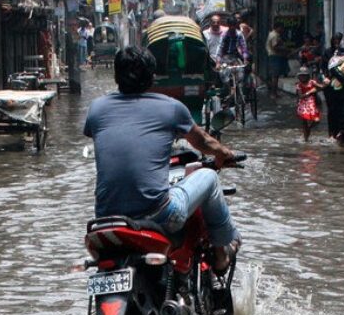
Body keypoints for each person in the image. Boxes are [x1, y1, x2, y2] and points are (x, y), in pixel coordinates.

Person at [84, 47, 242, 272]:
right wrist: (225, 154)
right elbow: (205, 143)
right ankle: (221, 254)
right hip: (159, 214)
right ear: (152, 76)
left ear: (116, 75)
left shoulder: (96, 108)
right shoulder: (171, 108)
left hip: (106, 217)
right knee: (208, 177)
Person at [320, 33, 344, 140]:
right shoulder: (327, 52)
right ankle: (332, 133)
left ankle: (341, 132)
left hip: (342, 85)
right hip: (330, 85)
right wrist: (325, 78)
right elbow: (323, 67)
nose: (337, 42)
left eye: (339, 40)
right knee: (331, 109)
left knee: (342, 109)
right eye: (335, 40)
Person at [294, 67, 324, 142]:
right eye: (301, 76)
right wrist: (310, 92)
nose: (303, 77)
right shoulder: (299, 85)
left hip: (314, 104)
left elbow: (321, 87)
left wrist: (322, 85)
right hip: (304, 105)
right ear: (298, 77)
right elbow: (301, 96)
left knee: (317, 120)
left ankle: (309, 128)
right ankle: (306, 139)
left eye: (304, 75)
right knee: (304, 122)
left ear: (308, 76)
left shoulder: (312, 82)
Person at [265, 22, 288, 95]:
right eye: (281, 28)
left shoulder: (272, 34)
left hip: (273, 56)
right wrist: (284, 48)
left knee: (274, 76)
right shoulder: (275, 35)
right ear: (278, 27)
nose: (282, 29)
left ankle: (273, 92)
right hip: (274, 56)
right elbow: (275, 47)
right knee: (275, 76)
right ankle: (274, 93)